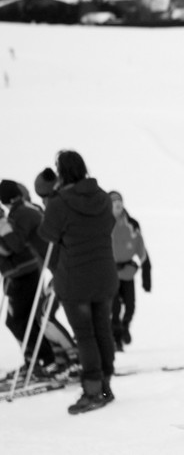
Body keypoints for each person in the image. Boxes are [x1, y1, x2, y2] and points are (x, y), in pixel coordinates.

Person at [38, 150, 119, 414]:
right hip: (104, 274)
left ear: (62, 172)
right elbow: (108, 226)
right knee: (102, 330)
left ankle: (93, 390)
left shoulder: (60, 202)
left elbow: (47, 233)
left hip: (75, 279)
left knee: (85, 335)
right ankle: (105, 384)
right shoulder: (103, 197)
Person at [0, 180, 61, 379]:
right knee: (19, 321)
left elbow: (13, 247)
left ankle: (46, 359)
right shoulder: (14, 215)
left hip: (24, 272)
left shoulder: (15, 216)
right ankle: (36, 359)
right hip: (16, 274)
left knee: (20, 321)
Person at [108, 191, 151, 352]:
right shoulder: (103, 223)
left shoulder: (132, 224)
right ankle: (116, 337)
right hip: (110, 272)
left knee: (130, 306)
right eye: (114, 202)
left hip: (127, 272)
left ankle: (125, 326)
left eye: (119, 201)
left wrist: (147, 275)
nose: (118, 205)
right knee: (114, 307)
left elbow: (141, 249)